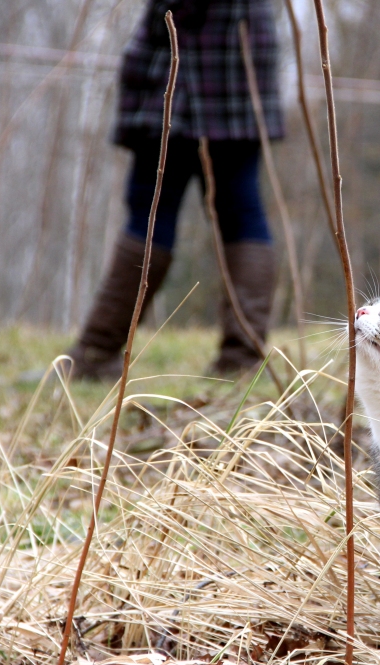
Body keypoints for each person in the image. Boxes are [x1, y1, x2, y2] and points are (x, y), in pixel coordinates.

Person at [67, 0, 283, 380]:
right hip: (239, 47)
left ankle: (96, 353)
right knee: (239, 209)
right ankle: (241, 361)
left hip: (195, 54)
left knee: (154, 208)